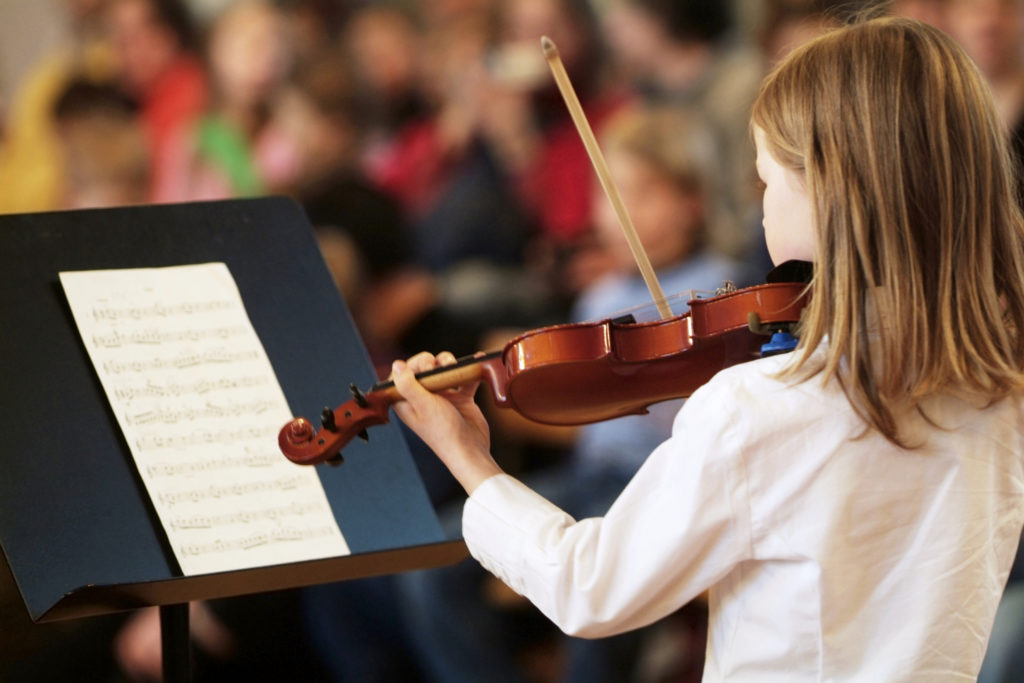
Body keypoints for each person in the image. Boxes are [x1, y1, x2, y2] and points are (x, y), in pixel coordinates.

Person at [388, 16, 1024, 680]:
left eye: (767, 182)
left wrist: (468, 456)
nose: (761, 210)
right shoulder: (1002, 388)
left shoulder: (761, 409)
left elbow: (590, 586)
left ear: (833, 194)